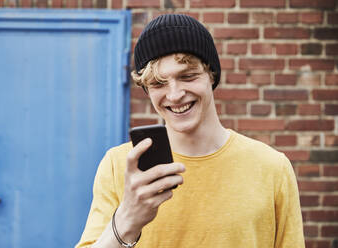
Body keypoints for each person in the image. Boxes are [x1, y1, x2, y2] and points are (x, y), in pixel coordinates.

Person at [76, 14, 305, 248]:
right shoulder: (119, 166)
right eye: (158, 83)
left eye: (187, 76)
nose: (174, 95)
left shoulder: (273, 168)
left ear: (211, 75)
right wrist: (127, 221)